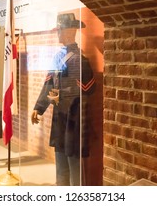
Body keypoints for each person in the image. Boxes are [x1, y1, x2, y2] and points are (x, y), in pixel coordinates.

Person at [31, 13, 95, 186]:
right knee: (60, 161)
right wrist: (39, 107)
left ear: (69, 31)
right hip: (60, 117)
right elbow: (49, 85)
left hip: (75, 119)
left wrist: (61, 94)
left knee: (74, 163)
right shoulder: (57, 57)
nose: (58, 33)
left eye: (60, 30)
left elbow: (88, 89)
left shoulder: (79, 61)